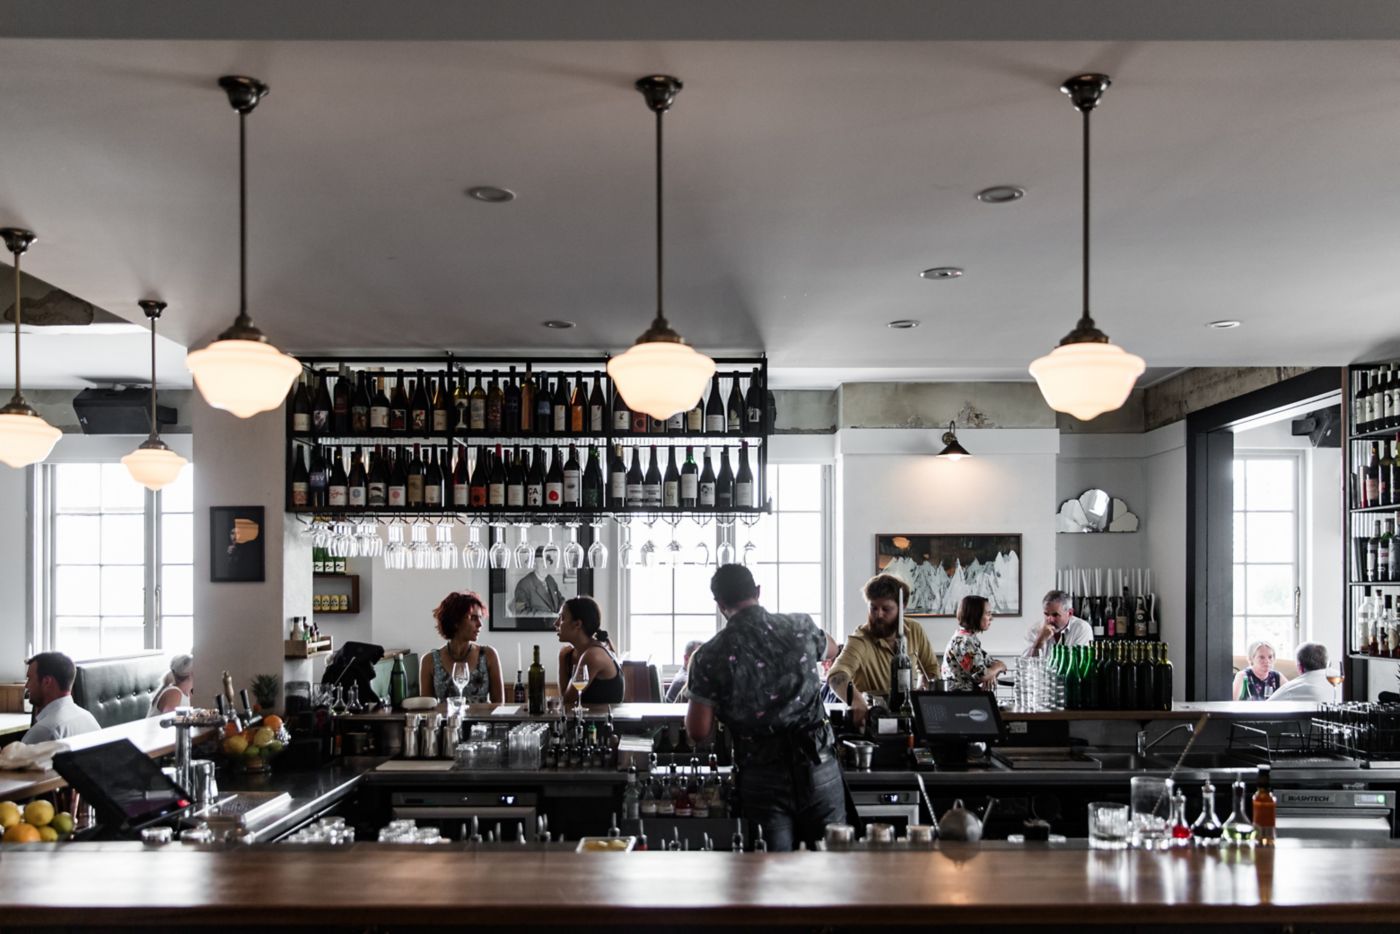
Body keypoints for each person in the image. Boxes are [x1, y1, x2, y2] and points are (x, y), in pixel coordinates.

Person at [685, 564, 846, 852]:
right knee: (831, 862)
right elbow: (832, 648)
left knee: (771, 870)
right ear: (757, 591)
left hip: (762, 772)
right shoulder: (800, 626)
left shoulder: (708, 655)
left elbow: (698, 731)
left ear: (720, 604)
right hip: (817, 762)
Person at [827, 574, 941, 722]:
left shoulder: (915, 630)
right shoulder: (860, 639)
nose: (878, 615)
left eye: (886, 609)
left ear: (902, 606)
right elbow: (837, 675)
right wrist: (856, 701)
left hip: (908, 720)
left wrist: (921, 691)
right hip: (874, 721)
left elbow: (931, 669)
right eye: (873, 608)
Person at [420, 590, 503, 704]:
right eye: (473, 618)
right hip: (446, 716)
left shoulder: (488, 655)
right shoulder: (429, 661)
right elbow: (427, 708)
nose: (480, 624)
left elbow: (498, 706)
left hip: (483, 717)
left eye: (480, 618)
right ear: (455, 621)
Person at [555, 596, 624, 705]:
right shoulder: (569, 654)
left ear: (577, 624)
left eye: (562, 618)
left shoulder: (594, 655)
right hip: (585, 716)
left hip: (605, 717)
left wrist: (561, 658)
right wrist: (562, 658)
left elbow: (567, 701)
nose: (556, 623)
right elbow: (564, 700)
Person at [21, 652, 100, 744]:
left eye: (30, 679)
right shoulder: (88, 718)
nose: (27, 686)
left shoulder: (44, 731)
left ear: (46, 682)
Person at [942, 596, 1006, 691]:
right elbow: (981, 675)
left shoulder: (969, 638)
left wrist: (991, 673)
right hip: (961, 698)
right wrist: (997, 667)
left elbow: (989, 664)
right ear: (976, 615)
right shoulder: (963, 641)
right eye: (988, 614)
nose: (991, 618)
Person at [1023, 589, 1094, 657]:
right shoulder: (1034, 630)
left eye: (1055, 615)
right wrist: (1039, 641)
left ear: (1070, 613)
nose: (1050, 620)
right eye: (1046, 614)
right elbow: (1025, 663)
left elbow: (1079, 661)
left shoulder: (1082, 628)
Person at [1267, 643, 1331, 703]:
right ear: (1327, 663)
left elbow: (1266, 707)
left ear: (1300, 667)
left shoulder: (1291, 689)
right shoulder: (1336, 680)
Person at [513, 549, 565, 616]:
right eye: (542, 562)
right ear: (534, 564)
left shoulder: (550, 579)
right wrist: (549, 615)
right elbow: (520, 612)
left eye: (548, 562)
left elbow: (560, 599)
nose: (546, 566)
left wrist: (563, 607)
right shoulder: (523, 585)